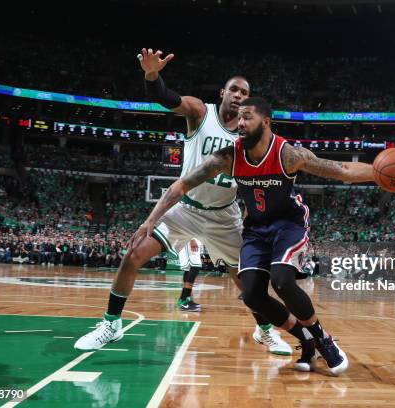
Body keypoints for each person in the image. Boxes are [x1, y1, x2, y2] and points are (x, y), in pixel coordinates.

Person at [127, 97, 395, 375]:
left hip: (288, 224)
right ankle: (305, 340)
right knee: (251, 295)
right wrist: (151, 219)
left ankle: (323, 339)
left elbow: (342, 170)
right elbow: (182, 185)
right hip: (257, 228)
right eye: (239, 117)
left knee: (283, 280)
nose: (240, 122)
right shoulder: (229, 156)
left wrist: (382, 174)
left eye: (247, 116)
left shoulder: (288, 154)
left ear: (266, 121)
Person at [75, 49, 290, 356]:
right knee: (134, 253)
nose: (239, 95)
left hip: (224, 215)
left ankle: (265, 330)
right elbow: (166, 97)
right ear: (223, 93)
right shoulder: (201, 112)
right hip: (184, 207)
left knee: (247, 282)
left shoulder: (251, 134)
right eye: (234, 89)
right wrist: (152, 75)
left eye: (245, 93)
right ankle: (111, 324)